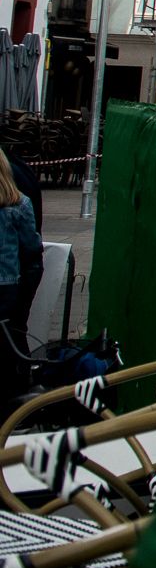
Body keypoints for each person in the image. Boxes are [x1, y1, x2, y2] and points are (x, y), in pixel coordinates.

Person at [0, 156, 43, 402]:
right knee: (12, 334)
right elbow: (31, 246)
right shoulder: (21, 204)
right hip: (7, 284)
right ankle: (17, 391)